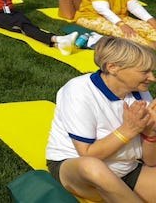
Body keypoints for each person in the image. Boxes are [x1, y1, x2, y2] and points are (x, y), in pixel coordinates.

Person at [45, 36, 156, 202]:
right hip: (78, 170)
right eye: (144, 72)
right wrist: (129, 130)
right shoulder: (78, 91)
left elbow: (151, 161)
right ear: (113, 67)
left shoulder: (141, 92)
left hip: (126, 169)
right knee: (92, 167)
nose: (152, 78)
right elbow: (87, 155)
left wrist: (151, 132)